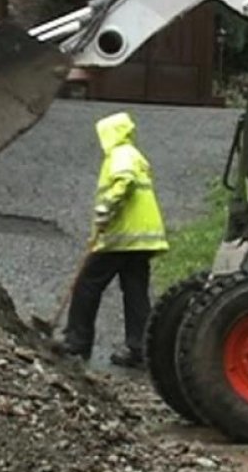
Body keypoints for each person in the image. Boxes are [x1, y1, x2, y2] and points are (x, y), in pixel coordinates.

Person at [53, 111, 169, 368]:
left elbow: (123, 180)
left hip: (122, 237)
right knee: (135, 291)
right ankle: (140, 349)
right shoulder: (135, 154)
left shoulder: (121, 154)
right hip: (141, 240)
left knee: (87, 284)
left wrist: (106, 207)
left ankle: (76, 342)